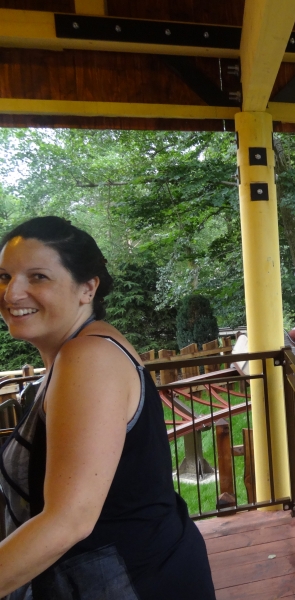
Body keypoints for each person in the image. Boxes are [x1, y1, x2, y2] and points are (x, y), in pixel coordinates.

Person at [0, 217, 215, 599]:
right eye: (4, 276)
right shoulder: (72, 356)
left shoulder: (89, 357)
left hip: (136, 583)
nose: (12, 292)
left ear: (88, 288)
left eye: (37, 277)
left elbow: (69, 520)